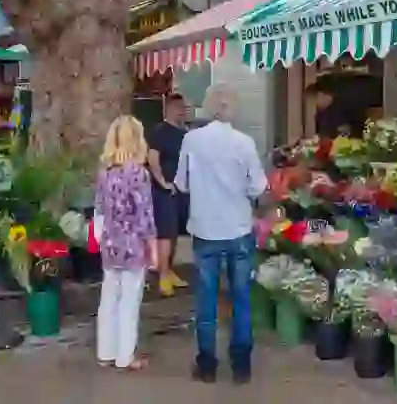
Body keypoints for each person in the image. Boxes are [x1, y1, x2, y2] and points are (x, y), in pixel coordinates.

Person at [175, 83, 268, 384]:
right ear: (233, 108)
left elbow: (182, 184)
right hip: (239, 228)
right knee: (241, 297)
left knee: (206, 299)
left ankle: (207, 366)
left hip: (204, 229)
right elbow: (258, 187)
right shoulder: (244, 143)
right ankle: (241, 366)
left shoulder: (191, 140)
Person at [94, 115, 157, 372]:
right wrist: (153, 248)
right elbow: (145, 216)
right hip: (133, 245)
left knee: (109, 298)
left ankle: (105, 352)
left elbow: (98, 210)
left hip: (109, 243)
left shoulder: (104, 173)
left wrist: (100, 239)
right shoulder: (139, 174)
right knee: (130, 301)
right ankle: (125, 357)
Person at [146, 93, 189, 297]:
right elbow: (152, 158)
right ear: (170, 108)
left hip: (181, 190)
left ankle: (169, 270)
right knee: (165, 233)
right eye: (179, 107)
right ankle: (162, 274)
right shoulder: (160, 131)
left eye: (184, 107)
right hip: (164, 191)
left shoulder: (184, 133)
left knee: (174, 233)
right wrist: (163, 182)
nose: (183, 111)